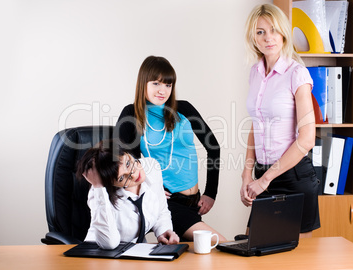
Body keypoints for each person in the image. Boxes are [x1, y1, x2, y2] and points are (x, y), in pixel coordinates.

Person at [115, 55, 226, 242]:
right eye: (156, 84)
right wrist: (152, 186)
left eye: (168, 85)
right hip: (169, 203)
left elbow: (213, 147)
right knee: (221, 244)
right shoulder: (131, 114)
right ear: (143, 83)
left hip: (194, 202)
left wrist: (210, 193)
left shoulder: (184, 109)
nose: (162, 91)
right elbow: (130, 165)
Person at [240, 4, 320, 238]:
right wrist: (247, 174)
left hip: (294, 178)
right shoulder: (255, 73)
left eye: (273, 30)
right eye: (260, 32)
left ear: (284, 32)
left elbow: (307, 140)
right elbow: (256, 124)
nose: (268, 38)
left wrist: (264, 180)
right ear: (253, 37)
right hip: (263, 175)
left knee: (298, 260)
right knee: (253, 250)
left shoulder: (297, 74)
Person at [76, 139, 180, 250]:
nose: (134, 175)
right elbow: (109, 243)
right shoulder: (98, 195)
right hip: (100, 255)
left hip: (134, 252)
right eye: (121, 178)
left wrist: (163, 231)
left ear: (127, 153)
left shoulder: (151, 168)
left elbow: (161, 210)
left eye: (128, 163)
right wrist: (99, 187)